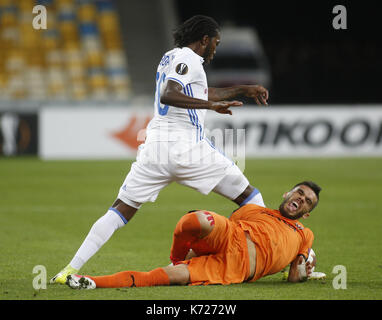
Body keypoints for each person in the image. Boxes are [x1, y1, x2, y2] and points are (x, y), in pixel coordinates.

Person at [50, 15, 269, 284]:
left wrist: (242, 89)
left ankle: (69, 269)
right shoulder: (189, 59)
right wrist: (210, 107)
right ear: (205, 39)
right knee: (250, 197)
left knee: (120, 210)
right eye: (216, 42)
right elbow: (170, 93)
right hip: (188, 149)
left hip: (155, 150)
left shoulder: (171, 57)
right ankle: (277, 254)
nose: (216, 48)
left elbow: (198, 91)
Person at [66, 181, 322, 289]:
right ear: (286, 194)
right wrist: (191, 252)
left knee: (166, 277)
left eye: (308, 201)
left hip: (233, 269)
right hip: (232, 235)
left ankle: (91, 281)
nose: (301, 199)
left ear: (307, 213)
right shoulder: (254, 210)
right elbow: (216, 234)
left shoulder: (304, 234)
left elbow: (293, 277)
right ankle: (176, 257)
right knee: (196, 219)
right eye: (299, 192)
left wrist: (305, 271)